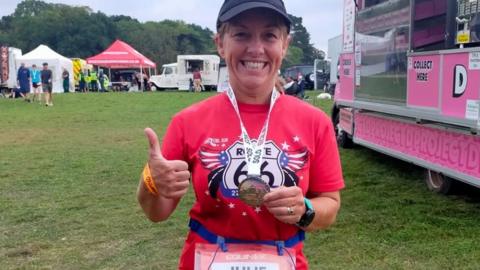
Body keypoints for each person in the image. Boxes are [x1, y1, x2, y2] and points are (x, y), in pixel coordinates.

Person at [136, 1, 344, 269]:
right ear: (220, 43)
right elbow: (157, 212)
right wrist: (151, 182)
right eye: (241, 34)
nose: (256, 48)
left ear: (284, 45)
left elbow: (330, 206)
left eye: (269, 35)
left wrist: (304, 210)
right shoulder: (188, 122)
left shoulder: (314, 122)